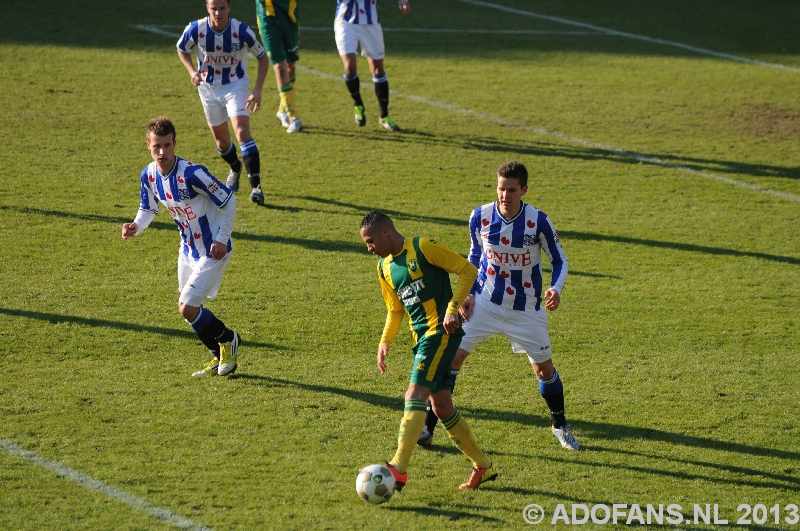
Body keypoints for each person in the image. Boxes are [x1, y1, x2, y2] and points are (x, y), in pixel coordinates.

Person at [418, 161, 581, 451]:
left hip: (526, 310)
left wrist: (555, 288)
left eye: (511, 190)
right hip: (484, 303)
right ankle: (427, 428)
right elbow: (474, 254)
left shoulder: (538, 221)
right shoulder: (479, 216)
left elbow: (560, 260)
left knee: (544, 370)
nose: (504, 195)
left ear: (524, 190)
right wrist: (466, 293)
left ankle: (560, 426)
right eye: (500, 188)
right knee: (451, 359)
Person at [359, 210, 497, 491]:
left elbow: (467, 269)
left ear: (386, 232)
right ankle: (483, 465)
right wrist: (384, 342)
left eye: (371, 241)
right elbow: (395, 310)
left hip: (440, 333)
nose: (369, 248)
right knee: (441, 406)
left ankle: (398, 468)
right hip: (421, 338)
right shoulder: (384, 268)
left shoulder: (424, 247)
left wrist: (453, 307)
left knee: (414, 394)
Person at [122, 117, 241, 378]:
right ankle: (217, 355)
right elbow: (148, 208)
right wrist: (136, 226)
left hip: (212, 249)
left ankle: (228, 338)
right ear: (148, 146)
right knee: (188, 311)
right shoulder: (150, 175)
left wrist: (221, 239)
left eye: (167, 145)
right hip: (187, 250)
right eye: (157, 147)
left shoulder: (192, 174)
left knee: (187, 306)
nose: (162, 152)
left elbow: (228, 202)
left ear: (175, 144)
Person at [177, 0, 270, 205]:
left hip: (235, 86)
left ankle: (256, 187)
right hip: (208, 89)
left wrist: (257, 90)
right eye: (213, 8)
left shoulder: (242, 31)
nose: (217, 13)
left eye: (221, 8)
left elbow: (263, 57)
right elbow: (182, 48)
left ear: (229, 7)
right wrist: (192, 72)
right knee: (222, 143)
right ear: (207, 8)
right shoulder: (196, 29)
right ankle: (235, 167)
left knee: (242, 131)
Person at [335, 0, 409, 131]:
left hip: (371, 23)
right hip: (346, 22)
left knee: (378, 69)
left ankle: (384, 116)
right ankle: (358, 104)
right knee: (350, 66)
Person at [255, 0, 302, 133]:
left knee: (291, 67)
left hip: (290, 15)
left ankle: (282, 110)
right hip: (268, 18)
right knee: (280, 66)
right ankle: (293, 116)